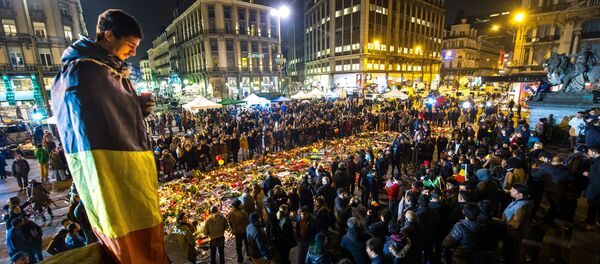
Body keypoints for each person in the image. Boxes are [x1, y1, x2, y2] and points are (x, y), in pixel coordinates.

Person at [51, 9, 166, 262]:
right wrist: (132, 105)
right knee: (124, 217)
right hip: (107, 164)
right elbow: (97, 119)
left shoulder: (103, 69)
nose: (134, 52)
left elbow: (110, 115)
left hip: (115, 156)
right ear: (109, 35)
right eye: (130, 45)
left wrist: (135, 107)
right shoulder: (87, 71)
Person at [502, 184, 533, 264]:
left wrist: (503, 226)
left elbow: (516, 224)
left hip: (512, 232)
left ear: (520, 194)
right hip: (512, 230)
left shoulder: (521, 206)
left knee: (512, 249)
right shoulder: (521, 201)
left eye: (513, 190)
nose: (510, 191)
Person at [227, 199, 249, 263]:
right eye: (240, 204)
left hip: (237, 232)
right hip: (244, 231)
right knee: (247, 243)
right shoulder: (243, 213)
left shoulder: (230, 213)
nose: (241, 205)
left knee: (238, 246)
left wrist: (233, 229)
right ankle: (248, 254)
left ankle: (240, 259)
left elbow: (230, 223)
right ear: (237, 206)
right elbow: (247, 222)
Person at [584, 146, 600, 229]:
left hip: (595, 189)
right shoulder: (596, 161)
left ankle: (590, 223)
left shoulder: (598, 162)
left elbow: (598, 178)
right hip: (595, 188)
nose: (588, 153)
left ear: (594, 152)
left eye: (589, 151)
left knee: (592, 206)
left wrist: (588, 175)